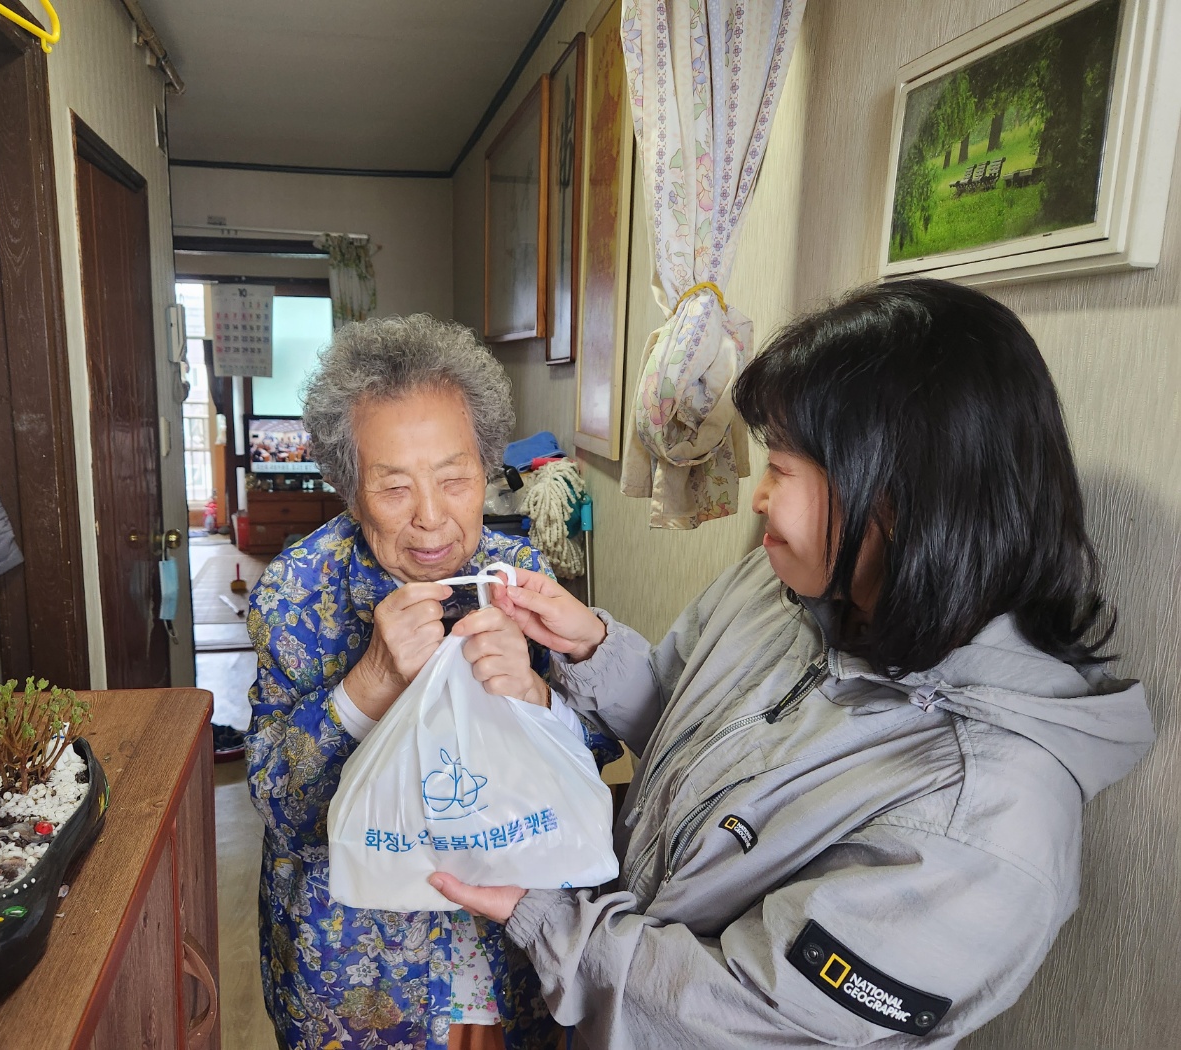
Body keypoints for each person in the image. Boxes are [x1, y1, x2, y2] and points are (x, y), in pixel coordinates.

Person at [430, 279, 1154, 1047]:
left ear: (901, 495)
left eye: (782, 464)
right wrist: (591, 650)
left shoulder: (985, 823)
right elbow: (692, 728)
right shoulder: (786, 584)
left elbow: (739, 1015)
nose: (759, 498)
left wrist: (545, 919)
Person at [246, 314, 620, 1050]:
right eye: (393, 488)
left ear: (487, 470)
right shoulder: (296, 593)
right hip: (361, 970)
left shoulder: (521, 578)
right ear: (349, 491)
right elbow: (280, 804)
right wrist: (372, 681)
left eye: (454, 479)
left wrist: (536, 696)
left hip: (508, 950)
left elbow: (593, 757)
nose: (430, 518)